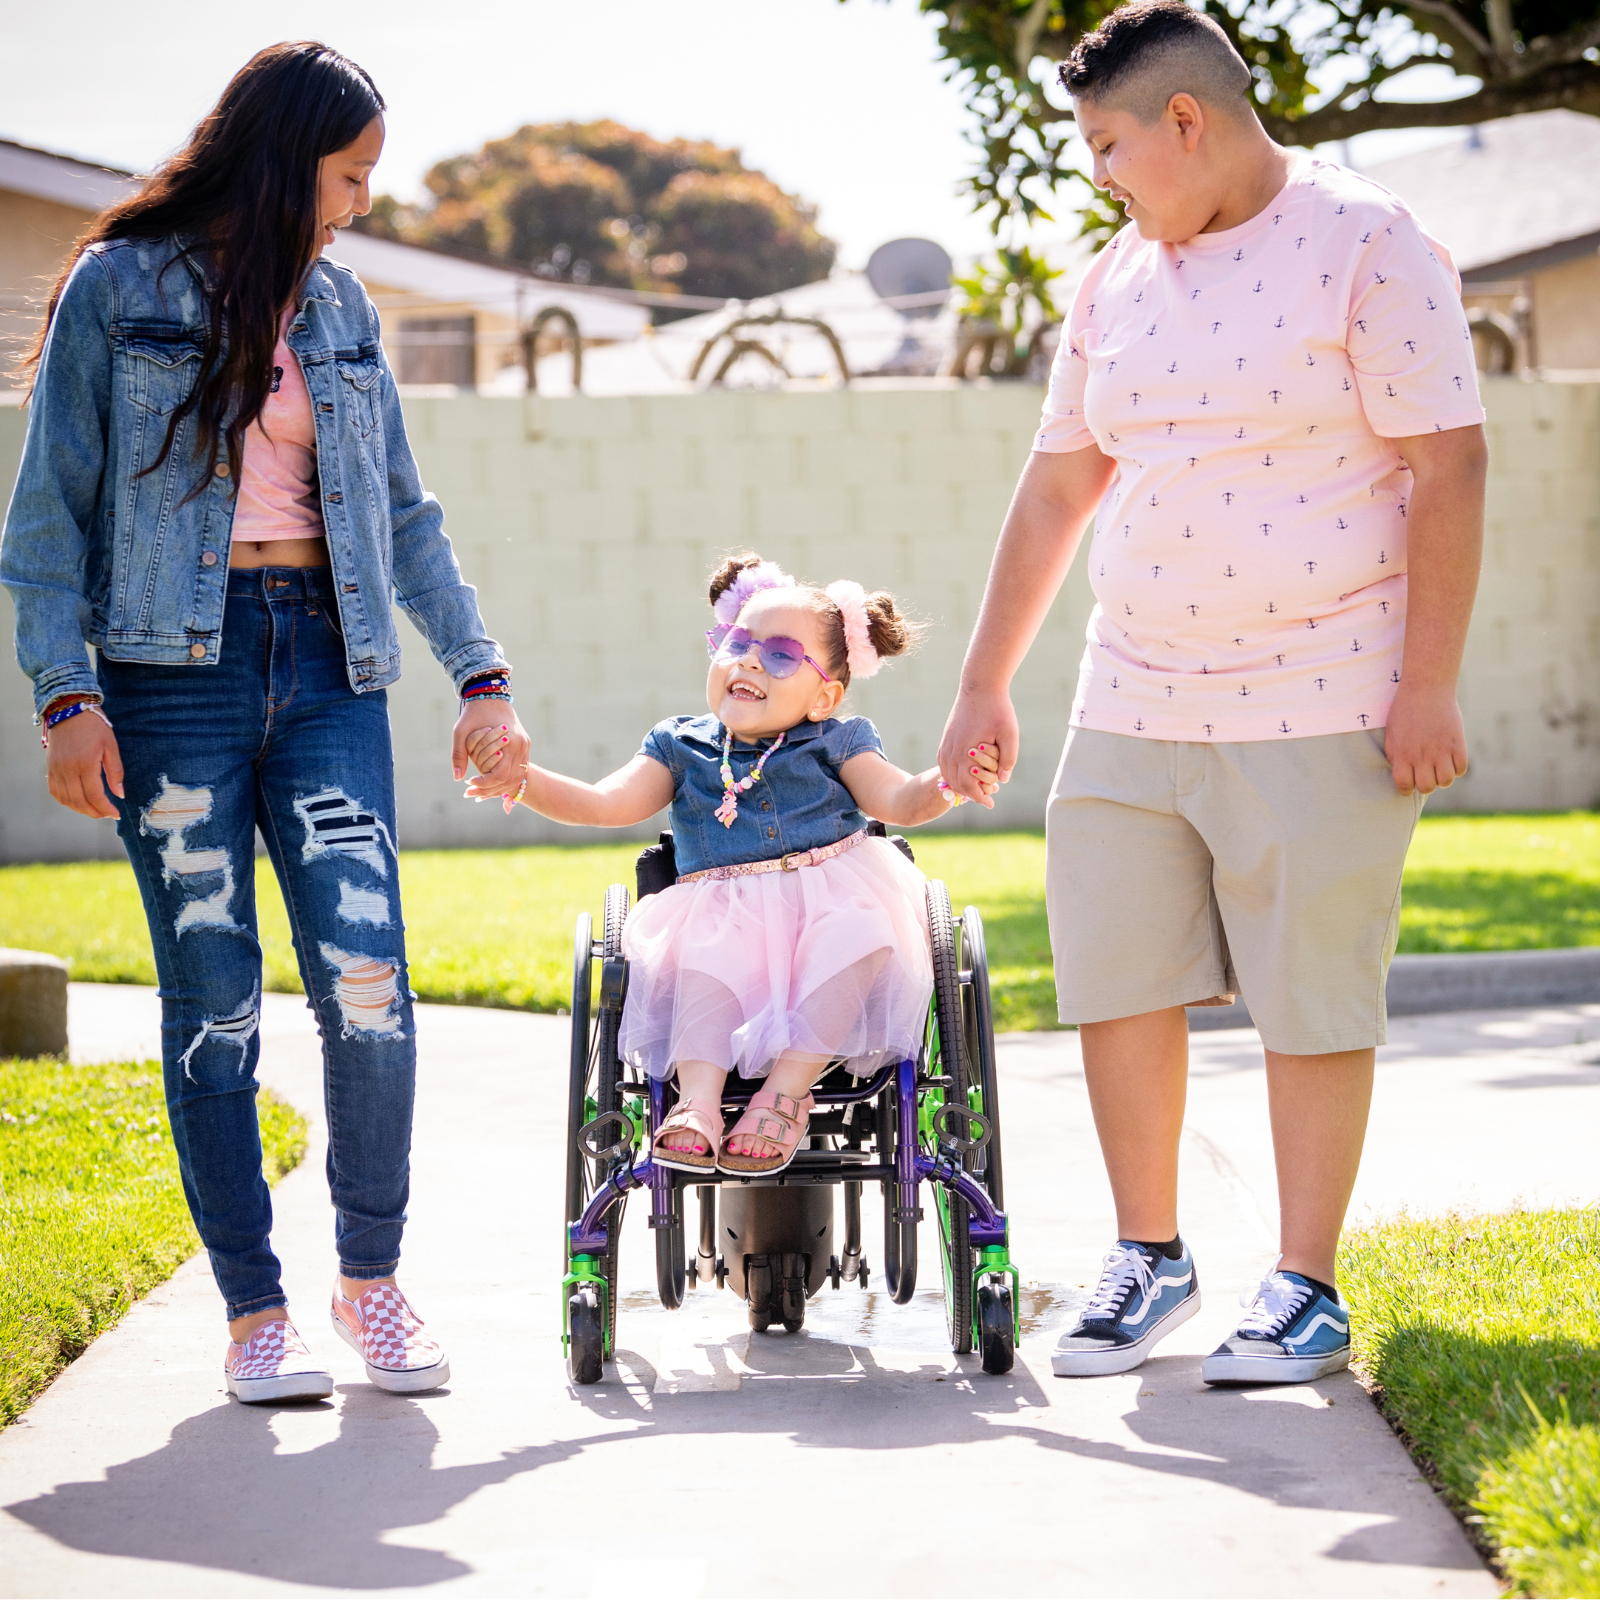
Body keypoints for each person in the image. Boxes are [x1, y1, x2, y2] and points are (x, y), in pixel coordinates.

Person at [938, 0, 1486, 1384]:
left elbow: (1451, 466)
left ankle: (1303, 1285)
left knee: (1311, 997)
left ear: (1186, 120)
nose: (1102, 174)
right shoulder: (1116, 277)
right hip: (1133, 691)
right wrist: (985, 681)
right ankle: (1150, 1257)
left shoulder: (1371, 241)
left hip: (1324, 694)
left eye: (1111, 144)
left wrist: (1430, 685)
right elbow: (1062, 479)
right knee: (1116, 975)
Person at [1, 43, 532, 1404]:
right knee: (214, 1002)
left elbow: (404, 514)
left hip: (330, 670)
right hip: (170, 679)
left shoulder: (344, 308)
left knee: (368, 988)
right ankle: (254, 1313)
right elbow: (48, 517)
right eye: (349, 176)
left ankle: (372, 1282)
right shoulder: (120, 290)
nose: (359, 204)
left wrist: (481, 675)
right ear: (283, 155)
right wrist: (65, 697)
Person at [466, 553, 998, 1170]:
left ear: (825, 695)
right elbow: (606, 803)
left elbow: (900, 801)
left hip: (830, 900)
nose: (747, 660)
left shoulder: (838, 741)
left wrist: (949, 779)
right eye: (737, 643)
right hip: (719, 911)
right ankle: (697, 1102)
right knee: (703, 954)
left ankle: (786, 1093)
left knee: (862, 935)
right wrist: (522, 779)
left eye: (779, 654)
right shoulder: (680, 745)